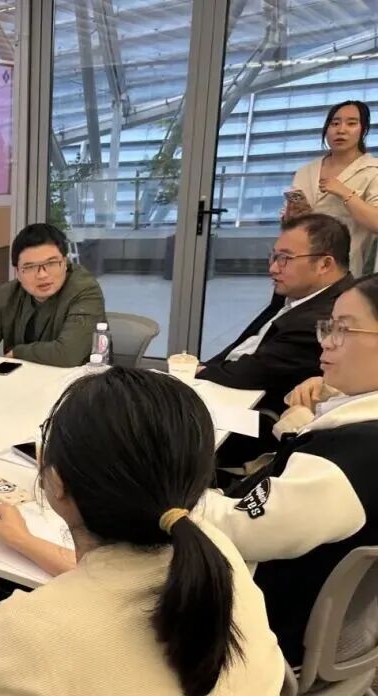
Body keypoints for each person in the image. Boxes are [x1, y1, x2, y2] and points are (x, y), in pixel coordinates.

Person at [0, 369, 285, 696]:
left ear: (57, 483)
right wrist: (25, 541)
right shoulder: (215, 553)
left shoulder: (29, 632)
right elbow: (112, 585)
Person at [201, 274, 378, 668]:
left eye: (344, 329)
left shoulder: (345, 460)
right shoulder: (355, 429)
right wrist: (320, 405)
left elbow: (237, 530)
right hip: (331, 613)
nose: (326, 342)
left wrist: (170, 493)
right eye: (328, 327)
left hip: (263, 629)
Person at [199, 213, 354, 415]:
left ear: (324, 264)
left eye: (285, 259)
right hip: (228, 378)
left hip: (253, 409)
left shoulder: (327, 317)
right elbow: (247, 342)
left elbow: (252, 374)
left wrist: (200, 371)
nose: (273, 268)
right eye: (274, 256)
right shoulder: (298, 292)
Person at [0, 223, 105, 369]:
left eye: (51, 263)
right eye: (30, 267)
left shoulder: (85, 290)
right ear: (18, 272)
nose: (42, 275)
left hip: (78, 384)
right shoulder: (9, 293)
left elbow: (68, 354)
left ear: (65, 263)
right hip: (24, 379)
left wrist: (18, 352)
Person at [285, 100, 378, 276]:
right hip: (301, 264)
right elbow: (289, 225)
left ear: (363, 130)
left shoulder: (373, 170)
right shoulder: (306, 171)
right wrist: (291, 217)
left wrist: (345, 193)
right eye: (335, 123)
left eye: (351, 123)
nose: (341, 130)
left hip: (347, 268)